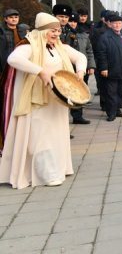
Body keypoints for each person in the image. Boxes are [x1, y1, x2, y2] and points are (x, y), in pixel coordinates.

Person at [0, 12, 87, 188]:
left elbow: (80, 57)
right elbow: (13, 59)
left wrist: (80, 71)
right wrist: (39, 71)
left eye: (58, 30)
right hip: (36, 101)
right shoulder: (29, 45)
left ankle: (58, 167)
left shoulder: (59, 47)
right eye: (52, 31)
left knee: (56, 135)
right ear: (41, 31)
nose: (56, 34)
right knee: (40, 138)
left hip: (56, 101)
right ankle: (47, 174)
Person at [96, 14, 122, 121]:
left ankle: (117, 109)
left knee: (121, 92)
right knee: (111, 93)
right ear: (110, 24)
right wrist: (104, 68)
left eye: (119, 23)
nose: (117, 25)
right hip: (111, 69)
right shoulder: (105, 37)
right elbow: (101, 54)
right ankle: (111, 113)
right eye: (115, 23)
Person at [65, 13, 95, 125]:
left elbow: (89, 51)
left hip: (81, 69)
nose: (72, 23)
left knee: (79, 92)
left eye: (75, 21)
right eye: (71, 21)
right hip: (67, 68)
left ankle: (78, 116)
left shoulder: (83, 35)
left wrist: (91, 66)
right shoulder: (62, 34)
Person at [0, 8, 29, 73]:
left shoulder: (23, 30)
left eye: (16, 17)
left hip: (21, 62)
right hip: (6, 63)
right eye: (11, 17)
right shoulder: (1, 32)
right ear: (5, 19)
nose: (14, 19)